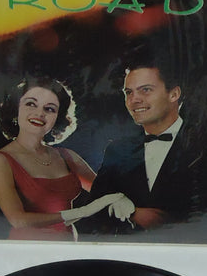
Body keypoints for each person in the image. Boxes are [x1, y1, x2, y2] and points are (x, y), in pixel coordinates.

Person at [0, 74, 126, 240]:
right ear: (16, 109)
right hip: (26, 249)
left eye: (49, 109)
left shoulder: (67, 156)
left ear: (58, 118)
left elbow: (105, 192)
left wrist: (122, 199)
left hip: (69, 246)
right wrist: (81, 212)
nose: (40, 113)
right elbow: (18, 220)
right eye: (31, 104)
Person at [73, 61, 199, 234]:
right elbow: (92, 217)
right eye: (128, 92)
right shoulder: (117, 150)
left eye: (145, 89)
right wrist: (131, 213)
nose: (134, 100)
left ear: (174, 94)